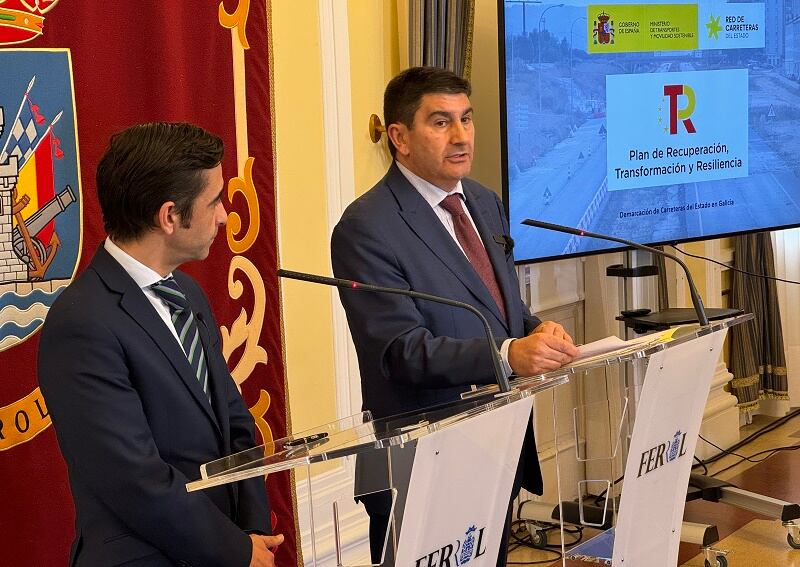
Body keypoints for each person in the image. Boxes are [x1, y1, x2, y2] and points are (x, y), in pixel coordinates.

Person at [330, 67, 579, 564]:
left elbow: (497, 304)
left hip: (495, 443)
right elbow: (400, 350)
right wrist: (510, 353)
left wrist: (535, 330)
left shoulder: (483, 202)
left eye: (467, 119)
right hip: (423, 460)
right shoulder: (366, 227)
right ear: (399, 137)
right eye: (441, 122)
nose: (462, 136)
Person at [38, 122, 283, 567]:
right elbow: (133, 479)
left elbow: (235, 424)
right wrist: (234, 550)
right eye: (214, 202)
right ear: (170, 216)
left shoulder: (187, 294)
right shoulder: (82, 323)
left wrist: (252, 534)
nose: (224, 215)